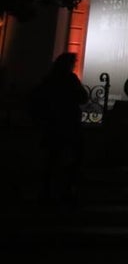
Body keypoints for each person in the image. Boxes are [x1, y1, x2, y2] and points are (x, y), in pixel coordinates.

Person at [31, 51, 89, 205]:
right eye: (73, 63)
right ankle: (67, 190)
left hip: (52, 125)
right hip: (69, 124)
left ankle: (47, 192)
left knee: (52, 159)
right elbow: (83, 97)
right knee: (76, 157)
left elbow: (36, 98)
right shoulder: (70, 79)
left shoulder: (49, 80)